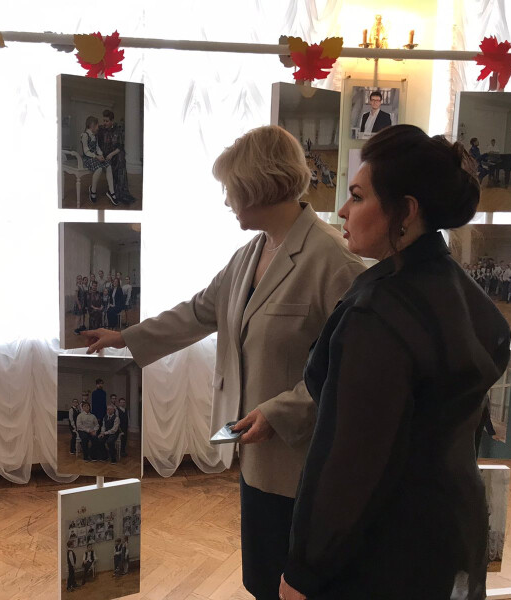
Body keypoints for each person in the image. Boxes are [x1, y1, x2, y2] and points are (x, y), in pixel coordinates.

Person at [81, 125, 365, 599]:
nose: (227, 200)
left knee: (296, 585)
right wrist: (126, 337)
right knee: (261, 578)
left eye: (230, 188)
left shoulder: (334, 261)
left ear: (257, 186)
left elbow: (348, 371)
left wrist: (279, 413)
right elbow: (199, 311)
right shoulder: (250, 253)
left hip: (302, 460)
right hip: (253, 452)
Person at [279, 125, 511, 600]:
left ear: (406, 211)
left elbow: (350, 462)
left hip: (384, 549)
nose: (342, 211)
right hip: (454, 530)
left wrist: (304, 570)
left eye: (358, 197)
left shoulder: (379, 315)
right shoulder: (467, 296)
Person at [98, 109, 137, 205]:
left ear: (112, 121)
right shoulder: (101, 130)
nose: (105, 123)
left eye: (107, 121)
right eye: (104, 120)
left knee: (120, 157)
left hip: (114, 154)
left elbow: (120, 146)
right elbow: (97, 144)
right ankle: (113, 190)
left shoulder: (118, 130)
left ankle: (119, 190)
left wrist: (111, 154)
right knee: (119, 158)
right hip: (105, 155)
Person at [81, 116, 117, 204]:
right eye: (97, 125)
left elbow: (97, 148)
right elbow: (86, 151)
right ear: (92, 125)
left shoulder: (95, 136)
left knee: (108, 165)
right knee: (99, 168)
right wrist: (96, 157)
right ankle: (93, 191)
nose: (98, 127)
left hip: (95, 157)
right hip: (87, 159)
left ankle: (111, 191)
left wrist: (101, 155)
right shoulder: (85, 135)